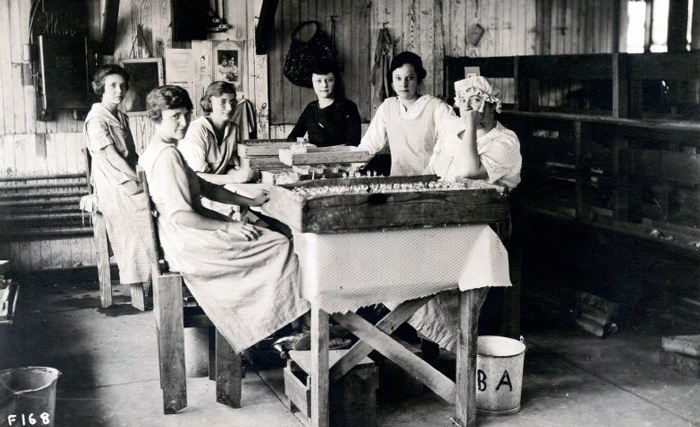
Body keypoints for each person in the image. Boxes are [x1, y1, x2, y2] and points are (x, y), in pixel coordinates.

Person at [138, 85, 309, 352]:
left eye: (186, 114)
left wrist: (249, 202)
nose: (183, 122)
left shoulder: (163, 148)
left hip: (182, 235)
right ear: (156, 117)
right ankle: (281, 326)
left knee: (268, 236)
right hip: (188, 241)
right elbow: (182, 215)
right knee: (279, 244)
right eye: (175, 117)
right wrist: (229, 226)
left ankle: (280, 324)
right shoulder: (167, 156)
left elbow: (206, 187)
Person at [84, 64, 155, 305]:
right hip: (111, 182)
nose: (119, 90)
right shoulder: (96, 119)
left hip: (125, 177)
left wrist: (144, 172)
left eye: (122, 86)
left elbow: (131, 155)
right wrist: (138, 178)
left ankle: (156, 277)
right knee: (143, 215)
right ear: (100, 88)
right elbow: (113, 157)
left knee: (157, 205)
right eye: (113, 85)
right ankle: (139, 281)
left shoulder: (120, 115)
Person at [358, 51, 456, 176]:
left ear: (418, 79)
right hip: (398, 184)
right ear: (392, 81)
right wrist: (349, 166)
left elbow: (453, 142)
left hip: (430, 183)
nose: (403, 84)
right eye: (398, 78)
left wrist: (432, 171)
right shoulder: (387, 107)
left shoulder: (436, 107)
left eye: (409, 78)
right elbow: (369, 145)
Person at [425, 76, 521, 188]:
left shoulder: (507, 141)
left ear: (492, 106)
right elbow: (431, 168)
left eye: (475, 99)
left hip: (479, 204)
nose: (466, 107)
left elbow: (468, 172)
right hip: (439, 200)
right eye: (463, 100)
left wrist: (471, 126)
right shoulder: (453, 128)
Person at [178, 81, 254, 186]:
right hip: (197, 192)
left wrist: (240, 174)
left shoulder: (234, 129)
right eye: (223, 102)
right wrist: (234, 178)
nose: (229, 108)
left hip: (217, 190)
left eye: (232, 102)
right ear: (209, 102)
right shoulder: (196, 129)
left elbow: (228, 166)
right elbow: (196, 177)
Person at [287, 64, 362, 147]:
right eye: (319, 81)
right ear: (312, 82)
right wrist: (305, 143)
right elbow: (292, 138)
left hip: (341, 158)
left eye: (329, 80)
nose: (324, 85)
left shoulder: (348, 107)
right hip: (313, 158)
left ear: (335, 81)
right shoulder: (310, 108)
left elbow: (353, 143)